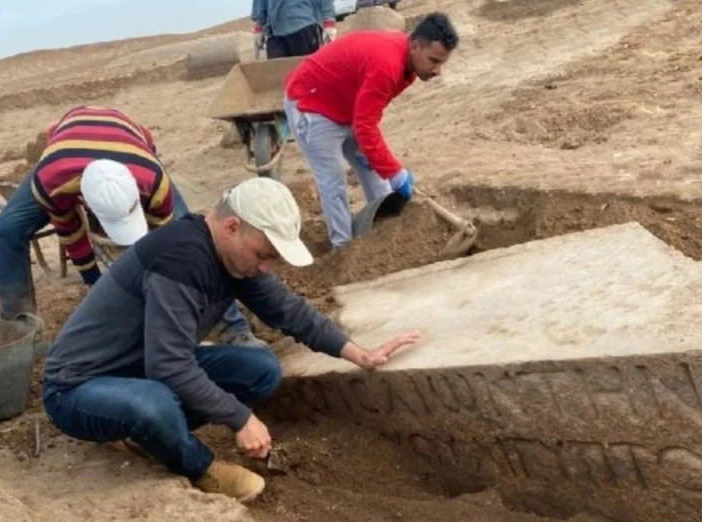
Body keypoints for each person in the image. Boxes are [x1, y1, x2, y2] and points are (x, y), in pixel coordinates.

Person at [41, 177, 420, 502]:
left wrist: (358, 353)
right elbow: (168, 365)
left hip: (140, 371)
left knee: (261, 369)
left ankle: (148, 436)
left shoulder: (233, 257)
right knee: (154, 404)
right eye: (263, 254)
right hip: (78, 389)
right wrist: (240, 419)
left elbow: (287, 310)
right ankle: (200, 467)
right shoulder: (181, 260)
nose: (266, 267)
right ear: (232, 227)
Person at [0, 105, 268, 348]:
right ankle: (21, 335)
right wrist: (99, 285)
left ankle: (235, 329)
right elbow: (71, 234)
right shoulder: (52, 182)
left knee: (193, 236)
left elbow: (174, 243)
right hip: (65, 153)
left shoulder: (154, 181)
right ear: (83, 200)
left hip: (130, 144)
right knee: (3, 231)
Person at [282, 12, 459, 248]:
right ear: (415, 46)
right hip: (310, 103)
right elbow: (366, 126)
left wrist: (380, 162)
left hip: (345, 106)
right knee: (333, 179)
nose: (438, 71)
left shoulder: (409, 66)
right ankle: (343, 249)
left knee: (376, 172)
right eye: (434, 61)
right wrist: (396, 172)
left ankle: (387, 233)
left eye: (442, 63)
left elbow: (368, 117)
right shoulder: (388, 65)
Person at [251, 0, 337, 59]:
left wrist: (328, 21)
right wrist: (259, 26)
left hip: (303, 26)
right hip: (274, 33)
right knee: (277, 77)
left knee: (307, 74)